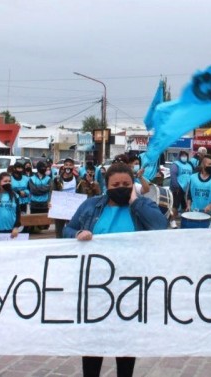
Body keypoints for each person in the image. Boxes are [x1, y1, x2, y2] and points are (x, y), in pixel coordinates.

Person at [63, 162, 167, 377]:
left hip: (130, 285)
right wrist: (78, 234)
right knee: (93, 340)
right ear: (106, 185)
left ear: (134, 185)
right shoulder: (91, 206)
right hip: (96, 285)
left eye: (126, 184)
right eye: (116, 184)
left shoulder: (143, 206)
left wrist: (135, 202)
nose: (121, 187)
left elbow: (160, 226)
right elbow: (68, 228)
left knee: (126, 341)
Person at [185, 155, 211, 227]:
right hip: (194, 212)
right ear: (202, 165)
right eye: (209, 164)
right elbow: (189, 194)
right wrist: (188, 205)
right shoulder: (193, 178)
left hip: (209, 214)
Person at [51, 158, 79, 238]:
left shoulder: (78, 180)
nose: (68, 167)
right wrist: (50, 203)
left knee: (72, 230)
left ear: (73, 167)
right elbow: (52, 193)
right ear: (63, 166)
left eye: (70, 165)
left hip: (73, 209)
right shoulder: (57, 180)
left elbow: (82, 194)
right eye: (66, 165)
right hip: (60, 209)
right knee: (59, 231)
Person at [170, 150, 194, 217]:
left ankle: (185, 217)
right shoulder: (176, 164)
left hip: (187, 188)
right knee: (175, 205)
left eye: (185, 156)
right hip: (178, 187)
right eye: (182, 156)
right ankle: (172, 220)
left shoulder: (189, 165)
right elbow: (173, 175)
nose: (184, 157)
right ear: (179, 156)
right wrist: (176, 186)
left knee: (184, 204)